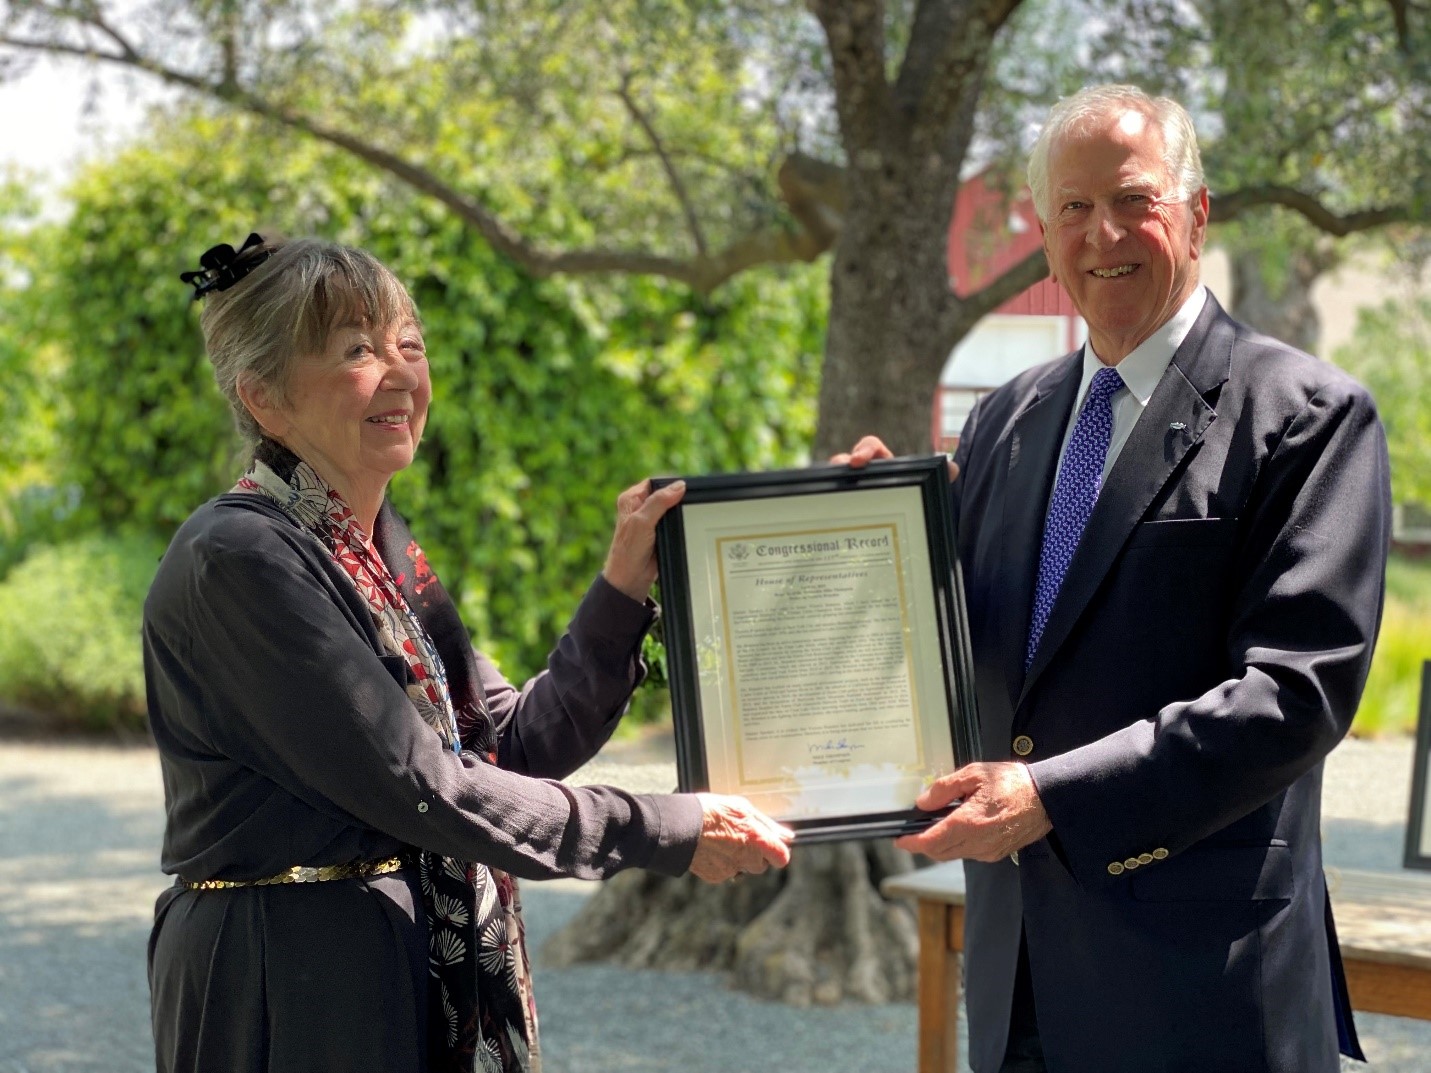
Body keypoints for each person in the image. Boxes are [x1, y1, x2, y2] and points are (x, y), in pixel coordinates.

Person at [144, 234, 793, 1073]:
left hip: (396, 964)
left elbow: (509, 744)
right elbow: (425, 785)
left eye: (409, 344)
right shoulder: (240, 557)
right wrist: (662, 826)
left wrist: (621, 589)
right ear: (263, 397)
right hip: (291, 982)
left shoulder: (374, 552)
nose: (400, 372)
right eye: (357, 350)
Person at [842, 84, 1390, 1072]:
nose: (1103, 234)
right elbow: (966, 647)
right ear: (1047, 232)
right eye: (1073, 207)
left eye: (1133, 200)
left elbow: (1294, 694)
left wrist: (1051, 794)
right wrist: (874, 544)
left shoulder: (1307, 416)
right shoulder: (1005, 417)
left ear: (1196, 212)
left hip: (1202, 993)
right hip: (1017, 979)